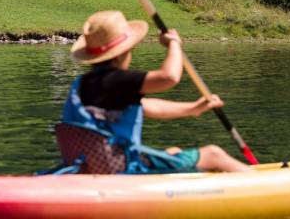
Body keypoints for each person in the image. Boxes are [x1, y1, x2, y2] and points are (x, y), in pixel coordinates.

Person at [63, 11, 249, 173]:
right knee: (213, 154)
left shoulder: (83, 84)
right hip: (122, 168)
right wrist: (174, 44)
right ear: (121, 54)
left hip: (91, 165)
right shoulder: (117, 80)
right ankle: (263, 183)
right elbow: (169, 77)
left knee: (173, 152)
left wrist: (193, 108)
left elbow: (142, 107)